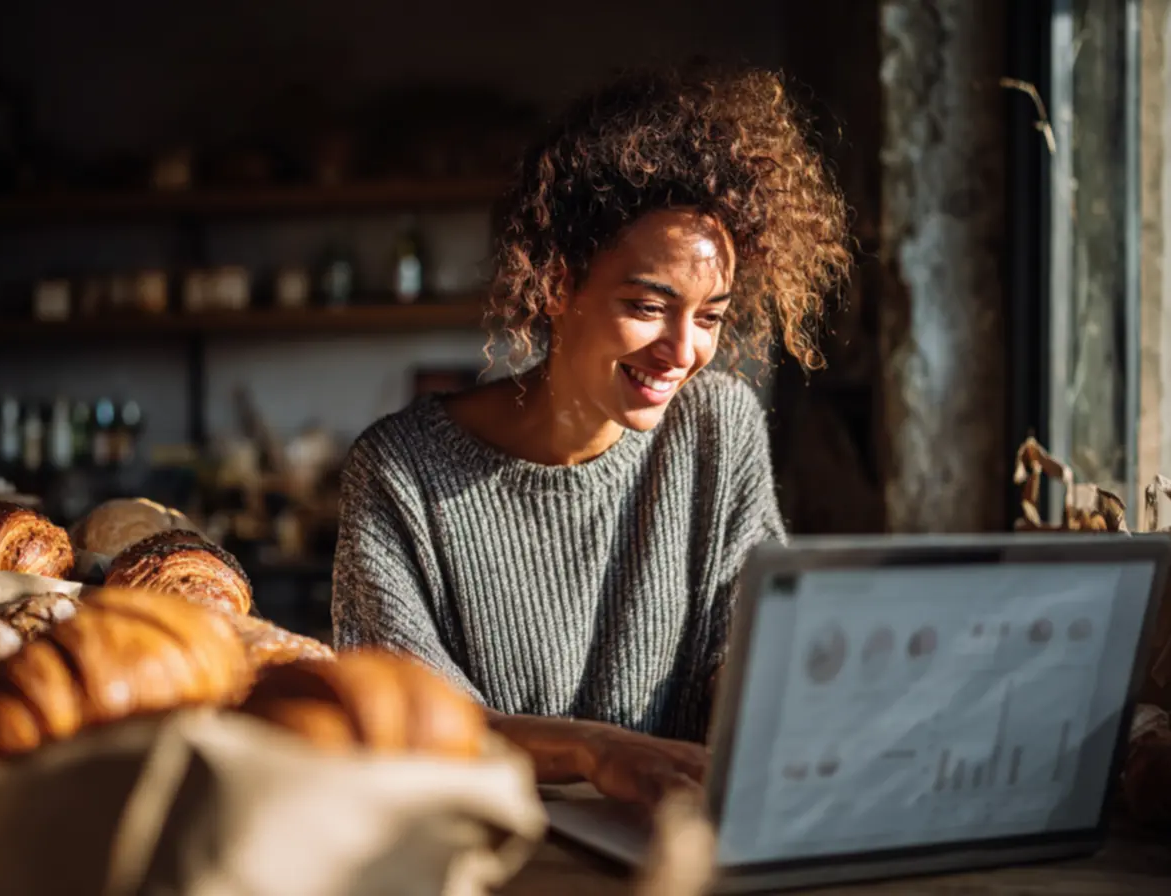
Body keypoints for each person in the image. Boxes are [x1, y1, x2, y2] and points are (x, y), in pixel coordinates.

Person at [332, 64, 852, 806]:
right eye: (648, 305)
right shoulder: (401, 472)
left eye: (709, 318)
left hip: (668, 854)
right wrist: (592, 750)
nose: (682, 352)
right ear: (557, 283)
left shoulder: (719, 429)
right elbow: (401, 722)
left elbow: (745, 651)